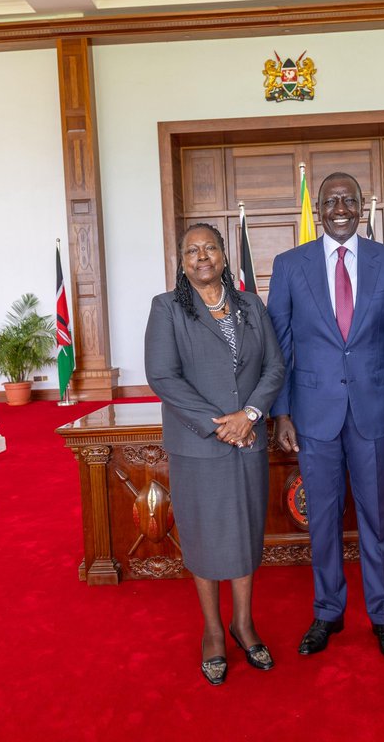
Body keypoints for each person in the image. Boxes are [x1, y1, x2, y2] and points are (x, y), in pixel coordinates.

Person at [267, 172, 384, 661]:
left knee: (376, 518)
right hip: (312, 413)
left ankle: (383, 614)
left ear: (363, 206)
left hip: (374, 411)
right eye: (331, 201)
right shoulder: (289, 265)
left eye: (350, 199)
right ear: (319, 209)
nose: (341, 207)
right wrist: (281, 411)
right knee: (322, 518)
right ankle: (328, 610)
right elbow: (279, 345)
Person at [144, 222, 285, 686]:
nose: (201, 256)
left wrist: (250, 413)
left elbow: (274, 365)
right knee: (204, 539)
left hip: (249, 441)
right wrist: (220, 425)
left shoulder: (250, 304)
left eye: (209, 248)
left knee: (245, 535)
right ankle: (212, 632)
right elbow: (163, 377)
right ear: (181, 263)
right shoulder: (167, 309)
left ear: (224, 256)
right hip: (200, 447)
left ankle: (243, 625)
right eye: (191, 251)